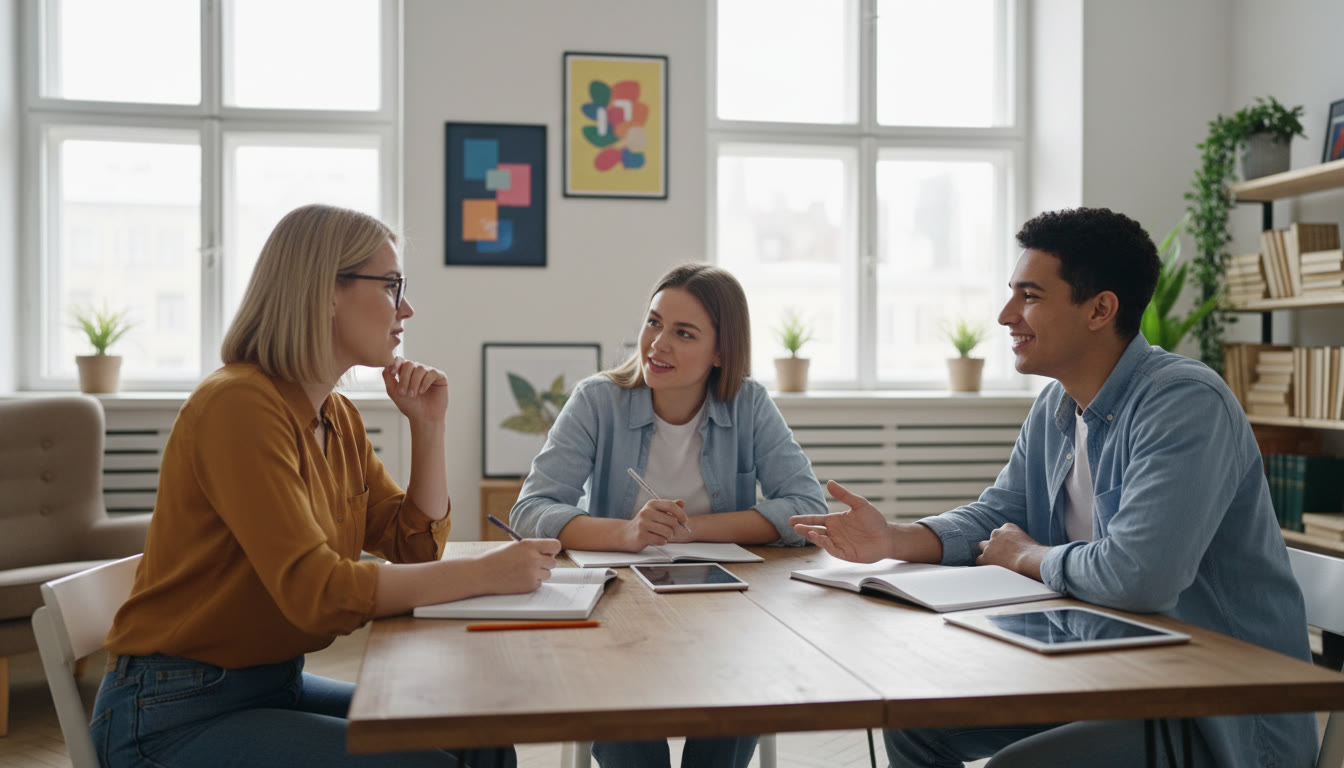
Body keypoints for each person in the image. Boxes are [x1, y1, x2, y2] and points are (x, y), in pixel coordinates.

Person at [790, 207, 1316, 768]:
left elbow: (1138, 577)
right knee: (916, 725)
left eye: (1030, 296)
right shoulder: (1058, 404)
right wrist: (893, 539)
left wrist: (1028, 556)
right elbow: (999, 515)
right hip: (1104, 679)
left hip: (1213, 714)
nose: (1005, 315)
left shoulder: (1184, 403)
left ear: (1100, 309)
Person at [92, 204, 560, 768]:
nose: (406, 308)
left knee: (478, 739)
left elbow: (414, 547)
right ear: (325, 291)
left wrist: (427, 427)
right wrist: (486, 571)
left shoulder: (335, 414)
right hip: (174, 711)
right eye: (391, 286)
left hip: (270, 687)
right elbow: (316, 593)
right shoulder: (238, 405)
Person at [511, 262, 828, 768]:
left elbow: (809, 508)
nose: (658, 344)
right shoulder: (598, 401)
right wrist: (628, 532)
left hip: (728, 608)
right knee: (632, 745)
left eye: (684, 333)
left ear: (721, 352)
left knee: (735, 709)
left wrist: (693, 528)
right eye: (654, 322)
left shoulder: (749, 404)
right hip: (620, 606)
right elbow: (531, 509)